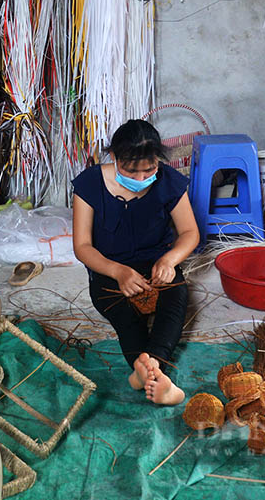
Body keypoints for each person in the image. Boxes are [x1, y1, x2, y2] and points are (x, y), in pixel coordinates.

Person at [72, 120, 200, 405]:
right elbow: (82, 246)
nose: (141, 178)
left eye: (149, 169)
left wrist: (170, 260)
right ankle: (159, 379)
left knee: (175, 300)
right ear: (115, 159)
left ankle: (144, 373)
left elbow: (190, 232)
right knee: (124, 316)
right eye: (131, 170)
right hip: (109, 268)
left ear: (158, 162)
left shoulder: (168, 181)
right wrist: (117, 271)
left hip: (157, 264)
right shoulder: (90, 184)